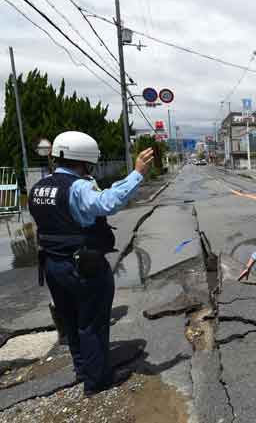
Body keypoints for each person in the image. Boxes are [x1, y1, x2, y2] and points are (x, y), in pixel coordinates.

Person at [29, 131, 154, 396]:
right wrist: (138, 174)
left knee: (71, 322)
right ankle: (97, 380)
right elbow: (107, 202)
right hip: (82, 266)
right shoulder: (78, 187)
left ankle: (83, 369)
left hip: (52, 265)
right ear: (85, 160)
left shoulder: (40, 187)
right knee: (92, 323)